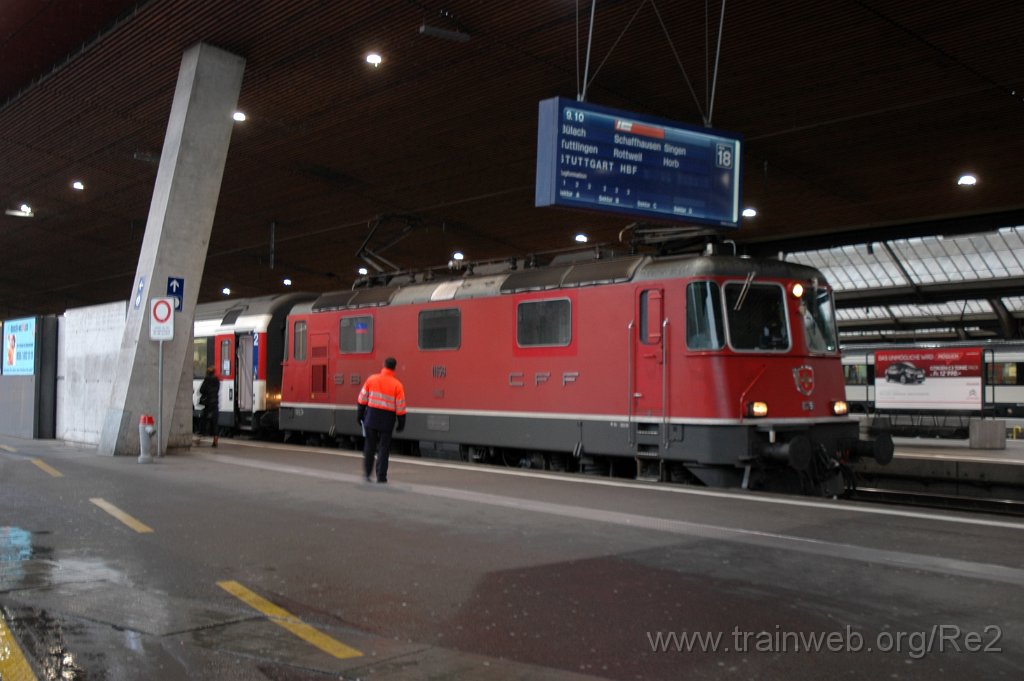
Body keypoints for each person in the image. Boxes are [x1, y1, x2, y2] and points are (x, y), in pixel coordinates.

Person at [356, 357, 406, 483]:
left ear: (383, 365)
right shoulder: (397, 385)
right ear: (394, 368)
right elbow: (400, 406)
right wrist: (401, 423)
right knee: (384, 449)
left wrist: (360, 415)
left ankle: (367, 474)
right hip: (387, 420)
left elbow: (362, 400)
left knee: (369, 447)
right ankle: (381, 476)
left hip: (371, 417)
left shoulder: (371, 379)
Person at [197, 367, 220, 447]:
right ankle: (215, 440)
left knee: (203, 420)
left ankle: (199, 438)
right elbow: (217, 390)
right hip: (215, 403)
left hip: (208, 404)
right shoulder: (217, 381)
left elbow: (201, 390)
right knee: (215, 422)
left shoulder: (207, 380)